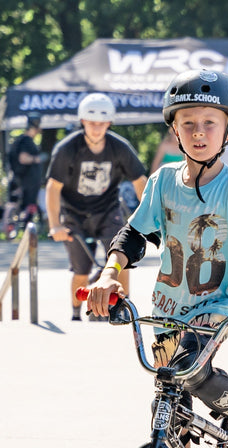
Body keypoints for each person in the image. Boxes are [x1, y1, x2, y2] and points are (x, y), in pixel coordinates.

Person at [84, 69, 228, 448]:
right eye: (188, 123)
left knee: (193, 371)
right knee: (168, 394)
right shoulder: (162, 181)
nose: (198, 133)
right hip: (167, 309)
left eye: (209, 123)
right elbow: (134, 235)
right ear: (175, 131)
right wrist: (108, 275)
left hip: (213, 309)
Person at [46, 93, 149, 321]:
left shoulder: (119, 147)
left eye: (101, 123)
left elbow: (140, 181)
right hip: (74, 213)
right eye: (92, 123)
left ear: (109, 123)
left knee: (121, 258)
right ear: (83, 122)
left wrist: (147, 216)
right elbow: (53, 188)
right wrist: (55, 225)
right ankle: (75, 313)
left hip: (107, 210)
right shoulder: (67, 149)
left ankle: (122, 308)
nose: (96, 128)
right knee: (81, 270)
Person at [5, 117, 47, 219]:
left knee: (26, 207)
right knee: (28, 208)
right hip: (27, 182)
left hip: (25, 181)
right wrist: (36, 159)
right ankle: (26, 228)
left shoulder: (21, 140)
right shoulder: (26, 141)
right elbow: (23, 158)